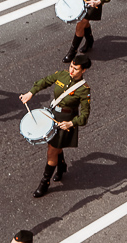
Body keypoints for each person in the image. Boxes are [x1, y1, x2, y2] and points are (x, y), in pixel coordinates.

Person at [19, 54, 92, 198]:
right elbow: (45, 81)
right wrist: (31, 93)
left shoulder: (84, 90)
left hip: (65, 121)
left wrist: (71, 123)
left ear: (83, 71)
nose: (71, 70)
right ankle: (62, 165)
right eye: (71, 66)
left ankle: (44, 182)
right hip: (52, 116)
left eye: (76, 69)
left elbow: (84, 116)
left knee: (52, 151)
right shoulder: (62, 75)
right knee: (53, 146)